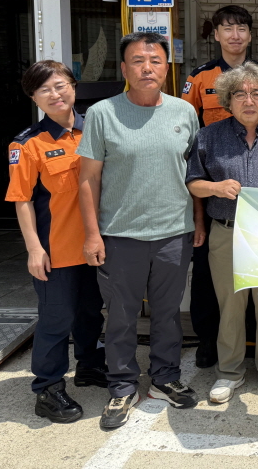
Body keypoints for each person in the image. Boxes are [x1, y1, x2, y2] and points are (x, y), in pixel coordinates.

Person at [78, 32, 201, 430]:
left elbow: (194, 175)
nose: (147, 68)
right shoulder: (102, 113)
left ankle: (165, 378)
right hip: (120, 235)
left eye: (155, 61)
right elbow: (88, 179)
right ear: (124, 68)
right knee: (121, 316)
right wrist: (92, 234)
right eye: (137, 61)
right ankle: (122, 385)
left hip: (174, 233)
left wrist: (198, 222)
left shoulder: (185, 112)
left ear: (167, 67)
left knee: (167, 315)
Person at [182, 4, 258, 369]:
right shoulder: (202, 86)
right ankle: (220, 360)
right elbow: (192, 169)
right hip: (222, 223)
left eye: (257, 94)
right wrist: (206, 209)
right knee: (220, 297)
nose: (249, 100)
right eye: (239, 95)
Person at [6, 61, 106, 424]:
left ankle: (90, 365)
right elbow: (22, 200)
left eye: (61, 85)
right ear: (33, 97)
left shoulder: (96, 129)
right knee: (56, 318)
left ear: (74, 87)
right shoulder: (27, 143)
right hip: (56, 250)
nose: (55, 94)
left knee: (91, 310)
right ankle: (47, 389)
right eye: (44, 89)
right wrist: (34, 249)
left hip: (95, 245)